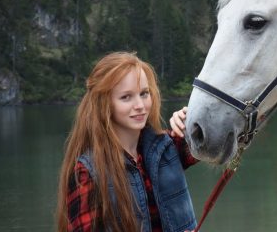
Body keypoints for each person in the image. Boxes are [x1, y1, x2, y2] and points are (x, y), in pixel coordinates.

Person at [56, 52, 198, 232]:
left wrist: (193, 117)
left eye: (144, 93)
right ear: (104, 104)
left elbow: (218, 140)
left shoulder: (167, 147)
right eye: (126, 97)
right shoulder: (89, 172)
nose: (140, 105)